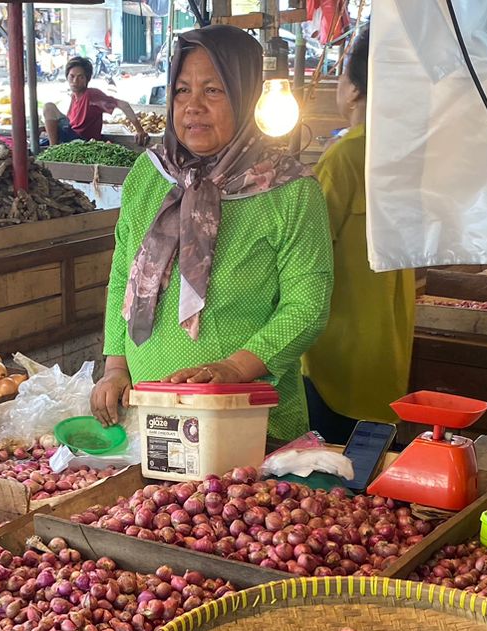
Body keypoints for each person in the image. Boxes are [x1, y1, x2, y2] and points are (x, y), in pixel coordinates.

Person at [90, 25, 334, 442]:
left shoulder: (290, 191)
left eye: (214, 91)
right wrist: (115, 367)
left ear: (245, 96)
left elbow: (307, 306)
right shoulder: (148, 177)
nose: (193, 107)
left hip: (246, 421)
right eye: (182, 91)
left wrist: (234, 370)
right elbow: (122, 281)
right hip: (149, 415)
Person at [302, 29, 419, 445]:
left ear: (352, 89)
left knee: (330, 476)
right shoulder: (407, 155)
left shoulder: (345, 156)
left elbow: (308, 253)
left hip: (336, 352)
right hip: (388, 345)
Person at [42, 57, 149, 147]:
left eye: (80, 77)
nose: (75, 81)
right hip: (71, 136)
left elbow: (124, 105)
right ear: (67, 77)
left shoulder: (91, 95)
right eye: (72, 76)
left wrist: (140, 130)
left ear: (87, 79)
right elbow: (71, 123)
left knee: (48, 107)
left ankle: (53, 149)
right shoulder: (74, 97)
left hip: (82, 142)